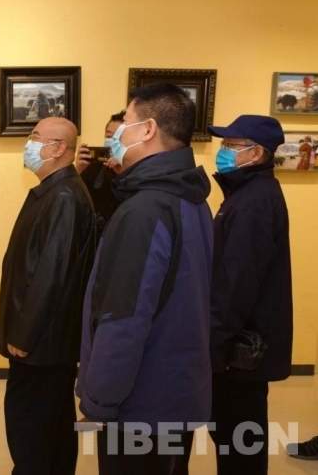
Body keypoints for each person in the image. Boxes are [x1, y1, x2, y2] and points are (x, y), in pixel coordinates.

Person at [75, 83, 214, 475]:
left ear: (148, 129)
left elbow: (124, 317)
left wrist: (100, 399)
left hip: (140, 402)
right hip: (177, 391)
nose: (117, 133)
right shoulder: (191, 197)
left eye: (126, 121)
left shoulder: (145, 209)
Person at [0, 117, 96, 475]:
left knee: (30, 426)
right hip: (47, 340)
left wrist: (23, 335)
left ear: (57, 148)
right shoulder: (55, 190)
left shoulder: (64, 196)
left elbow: (52, 275)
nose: (29, 143)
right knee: (52, 423)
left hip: (40, 343)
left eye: (36, 137)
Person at [205, 115, 293, 475]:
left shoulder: (253, 201)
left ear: (256, 153)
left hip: (240, 352)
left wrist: (212, 346)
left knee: (240, 441)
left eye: (231, 145)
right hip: (241, 345)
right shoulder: (248, 193)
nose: (223, 151)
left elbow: (236, 285)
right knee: (238, 438)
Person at [75, 111, 126, 234]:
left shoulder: (139, 170)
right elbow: (74, 203)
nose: (112, 141)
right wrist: (78, 171)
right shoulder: (93, 167)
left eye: (119, 137)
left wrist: (122, 171)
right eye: (109, 136)